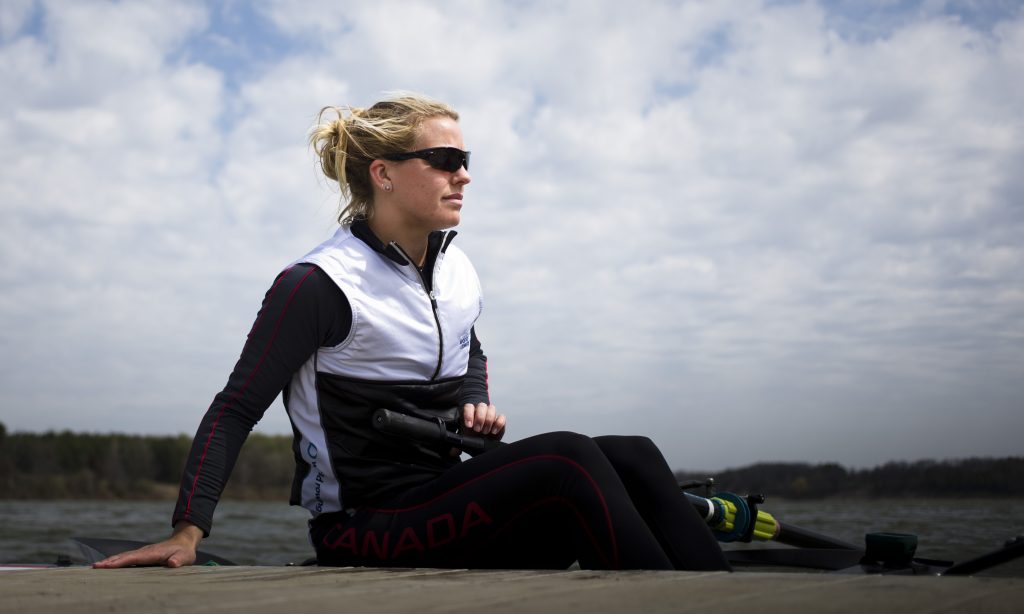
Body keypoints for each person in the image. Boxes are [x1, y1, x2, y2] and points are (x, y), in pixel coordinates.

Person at [94, 93, 730, 571]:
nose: (465, 175)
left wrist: (475, 397)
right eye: (446, 160)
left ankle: (717, 590)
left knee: (633, 453)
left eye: (466, 160)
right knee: (569, 458)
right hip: (362, 525)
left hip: (442, 494)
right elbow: (235, 409)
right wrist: (187, 531)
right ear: (383, 172)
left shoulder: (456, 269)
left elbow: (467, 344)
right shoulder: (319, 284)